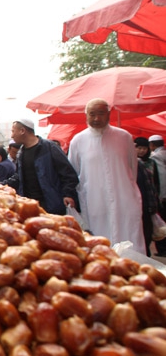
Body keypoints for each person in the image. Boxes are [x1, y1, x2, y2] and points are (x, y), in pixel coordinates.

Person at [68, 99, 145, 254]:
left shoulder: (124, 137)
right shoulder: (78, 140)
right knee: (100, 243)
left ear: (109, 114)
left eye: (101, 114)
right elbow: (74, 172)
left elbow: (132, 168)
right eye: (92, 114)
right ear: (86, 116)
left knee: (130, 239)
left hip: (124, 198)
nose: (96, 118)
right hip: (94, 200)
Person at [9, 118, 78, 215]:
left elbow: (68, 173)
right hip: (31, 207)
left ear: (22, 131)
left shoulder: (49, 147)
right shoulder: (21, 152)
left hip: (52, 206)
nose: (12, 135)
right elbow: (18, 177)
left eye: (13, 131)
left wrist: (68, 194)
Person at [135, 137, 160, 255]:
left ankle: (146, 254)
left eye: (144, 148)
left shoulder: (151, 162)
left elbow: (155, 182)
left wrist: (156, 201)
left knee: (148, 233)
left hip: (148, 202)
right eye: (139, 148)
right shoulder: (131, 163)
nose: (141, 151)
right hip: (137, 203)